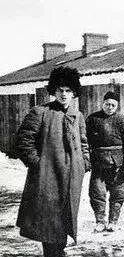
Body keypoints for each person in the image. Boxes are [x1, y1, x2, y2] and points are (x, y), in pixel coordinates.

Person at [15, 67, 90, 257]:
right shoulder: (40, 112)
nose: (64, 94)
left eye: (68, 91)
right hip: (47, 177)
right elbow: (24, 141)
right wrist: (38, 164)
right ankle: (54, 253)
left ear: (74, 93)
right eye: (60, 90)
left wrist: (84, 163)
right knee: (48, 219)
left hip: (71, 177)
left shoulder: (77, 115)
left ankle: (59, 251)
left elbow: (83, 143)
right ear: (53, 91)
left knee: (66, 216)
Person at [86, 91, 124, 232]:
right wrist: (87, 159)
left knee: (118, 192)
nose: (110, 107)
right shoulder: (93, 119)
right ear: (103, 104)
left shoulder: (122, 119)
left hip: (118, 162)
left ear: (117, 106)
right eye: (107, 104)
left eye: (113, 105)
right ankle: (100, 221)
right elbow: (85, 140)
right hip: (98, 162)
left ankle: (113, 221)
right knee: (97, 192)